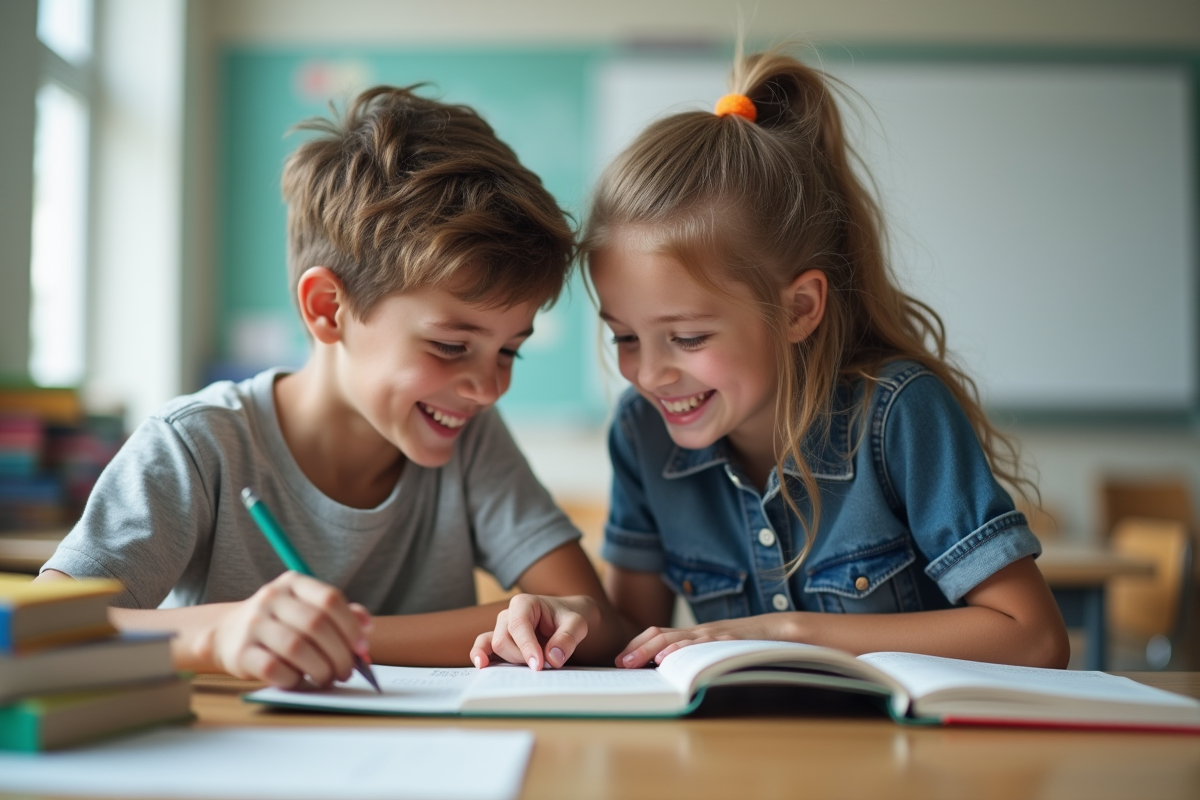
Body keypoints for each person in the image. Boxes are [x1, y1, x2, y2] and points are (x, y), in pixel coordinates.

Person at [477, 50, 1070, 672]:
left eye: (687, 338)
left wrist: (784, 631)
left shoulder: (896, 412)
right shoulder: (641, 431)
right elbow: (633, 629)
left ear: (798, 309)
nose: (648, 374)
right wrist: (573, 618)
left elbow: (1032, 638)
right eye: (624, 337)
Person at [37, 86, 629, 688]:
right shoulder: (197, 445)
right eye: (451, 346)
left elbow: (597, 620)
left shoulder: (470, 439)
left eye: (510, 350)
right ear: (327, 309)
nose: (486, 388)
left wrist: (350, 637)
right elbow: (40, 629)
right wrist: (216, 634)